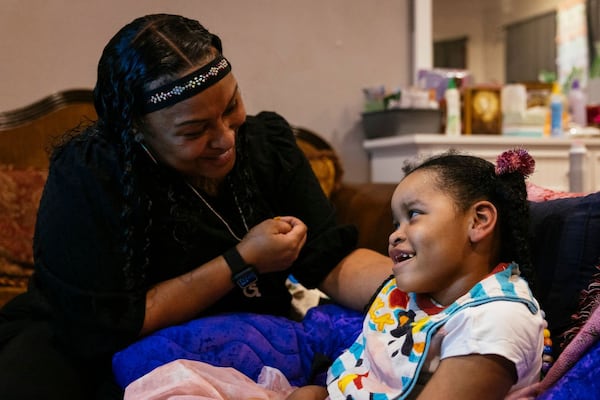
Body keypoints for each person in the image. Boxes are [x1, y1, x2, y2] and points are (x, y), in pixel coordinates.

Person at [0, 14, 392, 400]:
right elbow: (112, 323)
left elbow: (331, 257)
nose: (225, 140)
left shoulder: (268, 147)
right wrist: (241, 261)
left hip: (242, 335)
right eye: (194, 131)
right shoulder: (90, 175)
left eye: (231, 107)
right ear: (137, 129)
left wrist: (423, 293)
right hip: (87, 339)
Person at [289, 149, 546, 400]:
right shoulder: (412, 294)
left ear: (478, 221)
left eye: (413, 214)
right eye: (395, 223)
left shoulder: (495, 319)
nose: (394, 235)